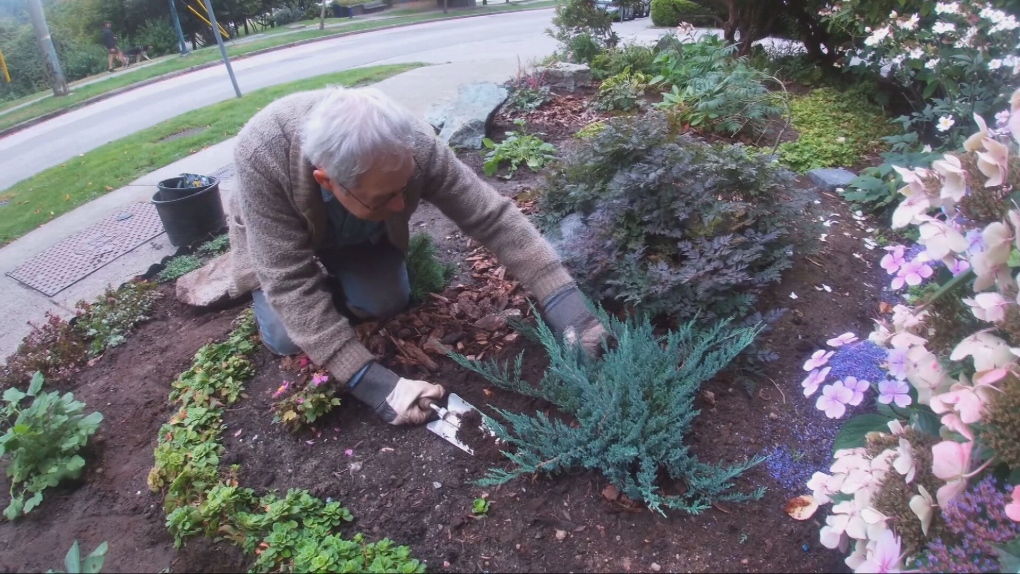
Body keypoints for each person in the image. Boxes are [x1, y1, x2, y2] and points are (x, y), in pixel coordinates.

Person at [226, 86, 606, 427]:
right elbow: (289, 281)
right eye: (383, 198)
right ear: (326, 180)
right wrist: (376, 386)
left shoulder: (414, 144)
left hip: (356, 221)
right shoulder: (263, 154)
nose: (400, 205)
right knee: (285, 336)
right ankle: (311, 295)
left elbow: (492, 218)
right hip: (278, 228)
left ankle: (338, 281)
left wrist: (573, 312)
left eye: (403, 189)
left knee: (385, 301)